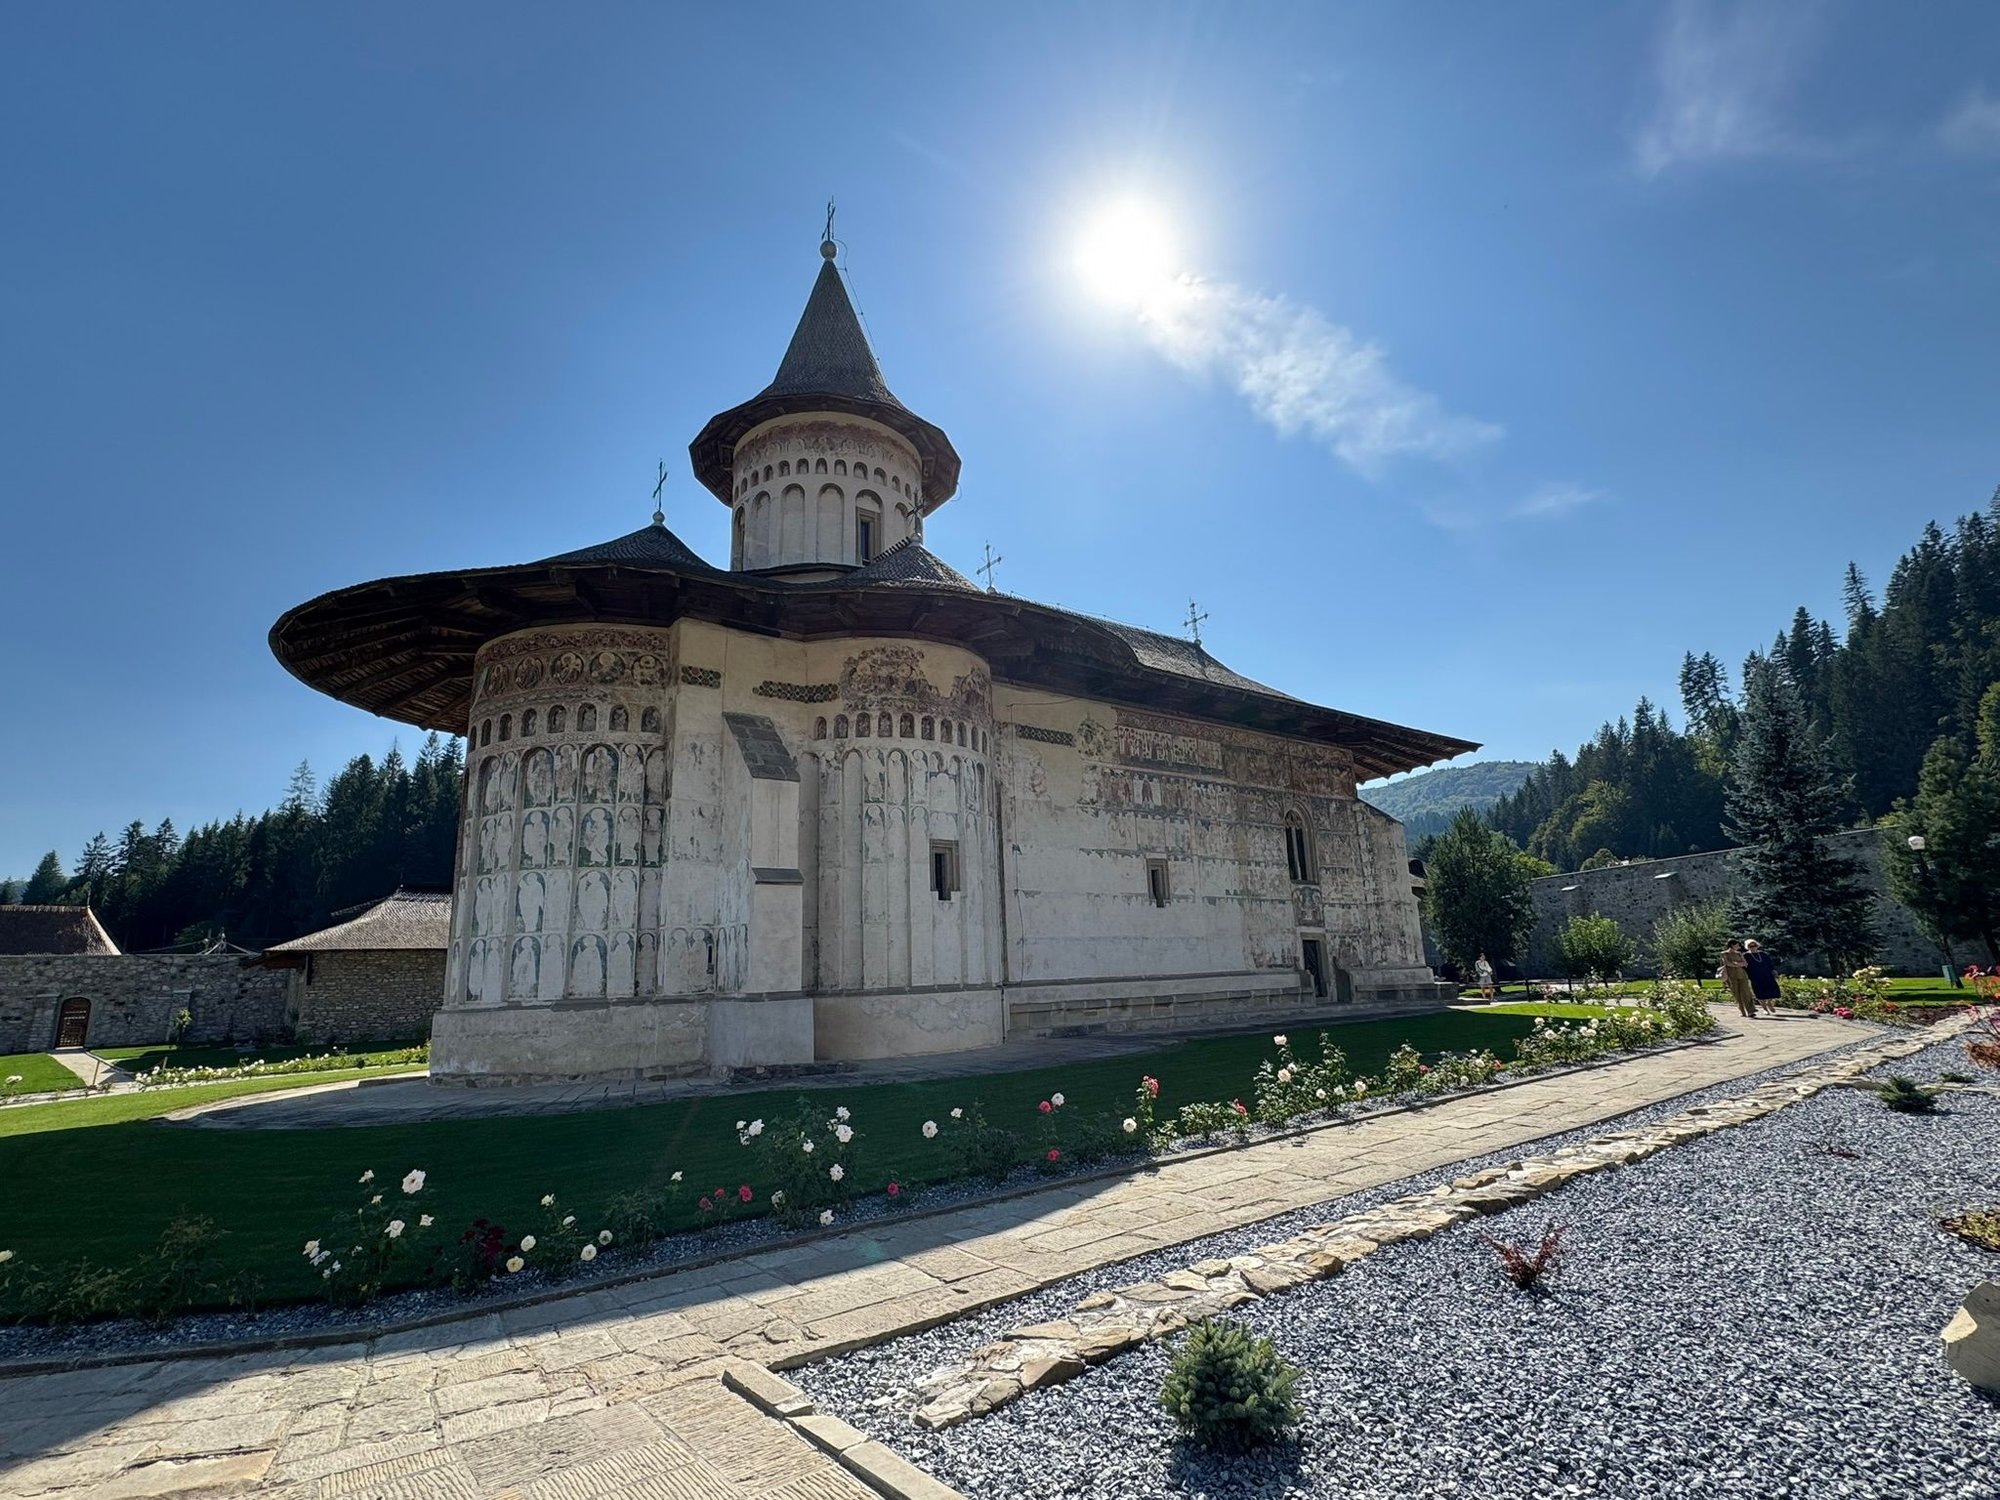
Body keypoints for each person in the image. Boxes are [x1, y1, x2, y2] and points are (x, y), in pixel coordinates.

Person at [1721, 939, 1757, 1019]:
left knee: (1746, 992)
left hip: (1742, 974)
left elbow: (1745, 964)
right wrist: (1737, 964)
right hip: (1731, 976)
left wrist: (1736, 964)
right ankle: (1742, 1011)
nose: (1738, 947)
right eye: (1737, 945)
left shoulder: (1739, 953)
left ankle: (1751, 1011)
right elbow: (1727, 963)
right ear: (1732, 945)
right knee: (1736, 994)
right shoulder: (1724, 954)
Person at [1744, 939, 1781, 1014]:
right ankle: (1764, 1009)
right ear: (1748, 947)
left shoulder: (1763, 954)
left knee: (1773, 990)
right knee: (1759, 992)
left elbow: (1770, 964)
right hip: (1755, 976)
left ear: (1757, 946)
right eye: (1750, 946)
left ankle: (1769, 1003)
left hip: (1767, 975)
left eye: (1754, 945)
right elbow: (1745, 967)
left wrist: (1774, 971)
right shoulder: (1746, 955)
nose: (1753, 947)